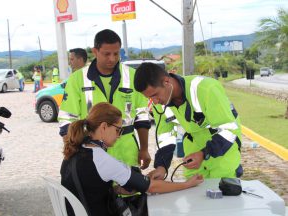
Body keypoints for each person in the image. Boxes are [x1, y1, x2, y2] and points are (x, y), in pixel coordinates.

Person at [61, 102, 203, 216]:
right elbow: (152, 187)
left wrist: (116, 190)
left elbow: (87, 186)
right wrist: (187, 184)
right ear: (104, 127)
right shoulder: (101, 158)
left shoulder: (74, 150)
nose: (119, 136)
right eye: (118, 130)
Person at [58, 29, 151, 169]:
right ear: (95, 51)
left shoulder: (132, 76)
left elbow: (142, 117)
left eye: (116, 53)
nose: (112, 59)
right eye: (107, 54)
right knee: (96, 191)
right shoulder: (77, 80)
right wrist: (72, 152)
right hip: (92, 153)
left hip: (126, 152)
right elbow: (66, 120)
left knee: (130, 189)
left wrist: (144, 149)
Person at [134, 62, 243, 179]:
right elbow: (165, 135)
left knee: (223, 190)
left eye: (155, 95)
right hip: (193, 147)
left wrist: (203, 153)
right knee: (194, 191)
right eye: (149, 98)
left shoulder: (206, 89)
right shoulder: (160, 103)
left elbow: (230, 129)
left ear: (166, 82)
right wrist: (162, 167)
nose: (154, 102)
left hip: (222, 147)